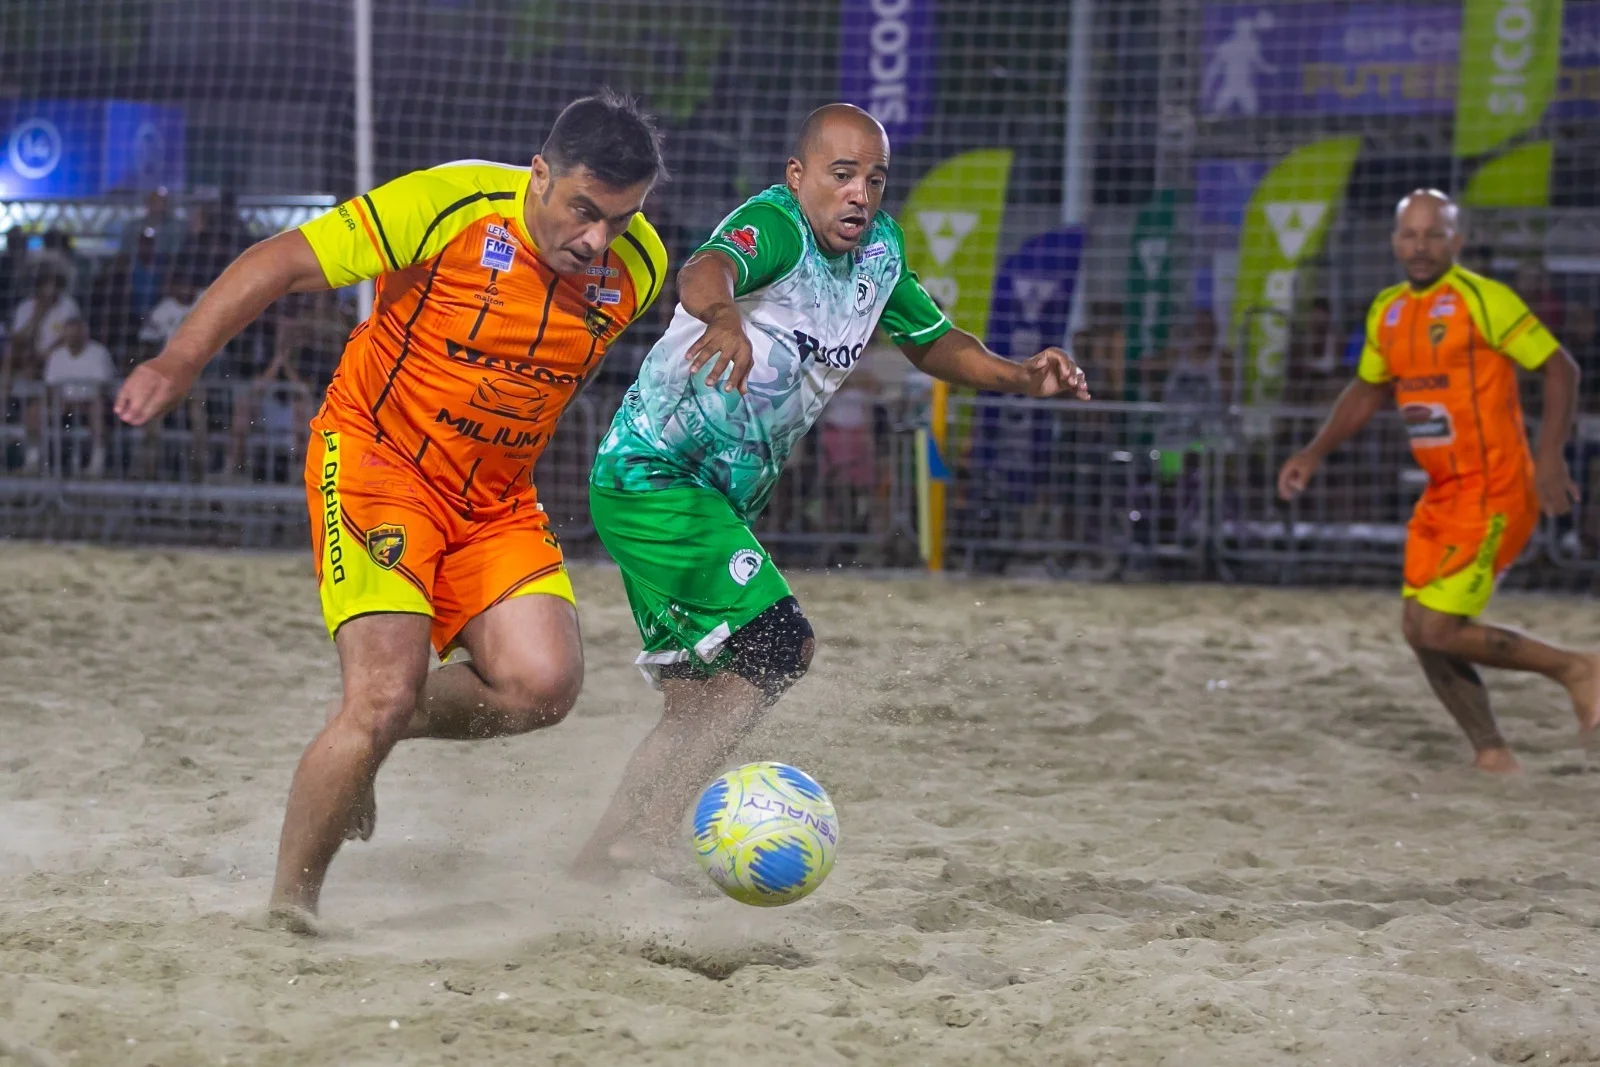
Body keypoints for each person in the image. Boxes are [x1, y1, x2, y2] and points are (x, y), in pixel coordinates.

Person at [113, 91, 671, 928]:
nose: (597, 239)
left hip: (494, 499)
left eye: (619, 220)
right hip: (380, 461)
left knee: (542, 686)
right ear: (541, 174)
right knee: (378, 693)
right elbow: (281, 261)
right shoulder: (446, 203)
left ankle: (381, 737)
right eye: (584, 210)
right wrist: (181, 358)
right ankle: (289, 911)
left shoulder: (642, 265)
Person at [574, 103, 1087, 880]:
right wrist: (723, 320)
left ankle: (593, 867)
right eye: (842, 175)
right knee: (782, 642)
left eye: (874, 179)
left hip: (711, 499)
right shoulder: (775, 226)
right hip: (655, 474)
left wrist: (1020, 374)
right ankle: (646, 835)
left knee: (702, 702)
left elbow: (934, 342)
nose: (860, 194)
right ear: (798, 176)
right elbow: (703, 270)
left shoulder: (880, 252)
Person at [1278, 189, 1600, 773]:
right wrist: (1315, 450)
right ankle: (1492, 752)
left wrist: (1549, 453)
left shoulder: (1483, 299)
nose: (1420, 245)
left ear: (1457, 240)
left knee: (1437, 626)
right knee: (1418, 629)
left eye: (1433, 234)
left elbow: (1561, 368)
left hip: (1496, 485)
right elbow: (1369, 389)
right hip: (1443, 494)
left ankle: (1577, 668)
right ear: (1395, 241)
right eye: (1410, 234)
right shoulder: (1387, 310)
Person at [42, 314, 116, 477]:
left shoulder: (98, 352)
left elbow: (101, 390)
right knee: (35, 409)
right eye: (69, 333)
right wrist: (59, 402)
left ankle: (97, 461)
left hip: (92, 405)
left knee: (96, 407)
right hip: (64, 406)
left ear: (84, 333)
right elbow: (51, 387)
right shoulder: (57, 355)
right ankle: (33, 460)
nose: (73, 337)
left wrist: (75, 403)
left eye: (76, 333)